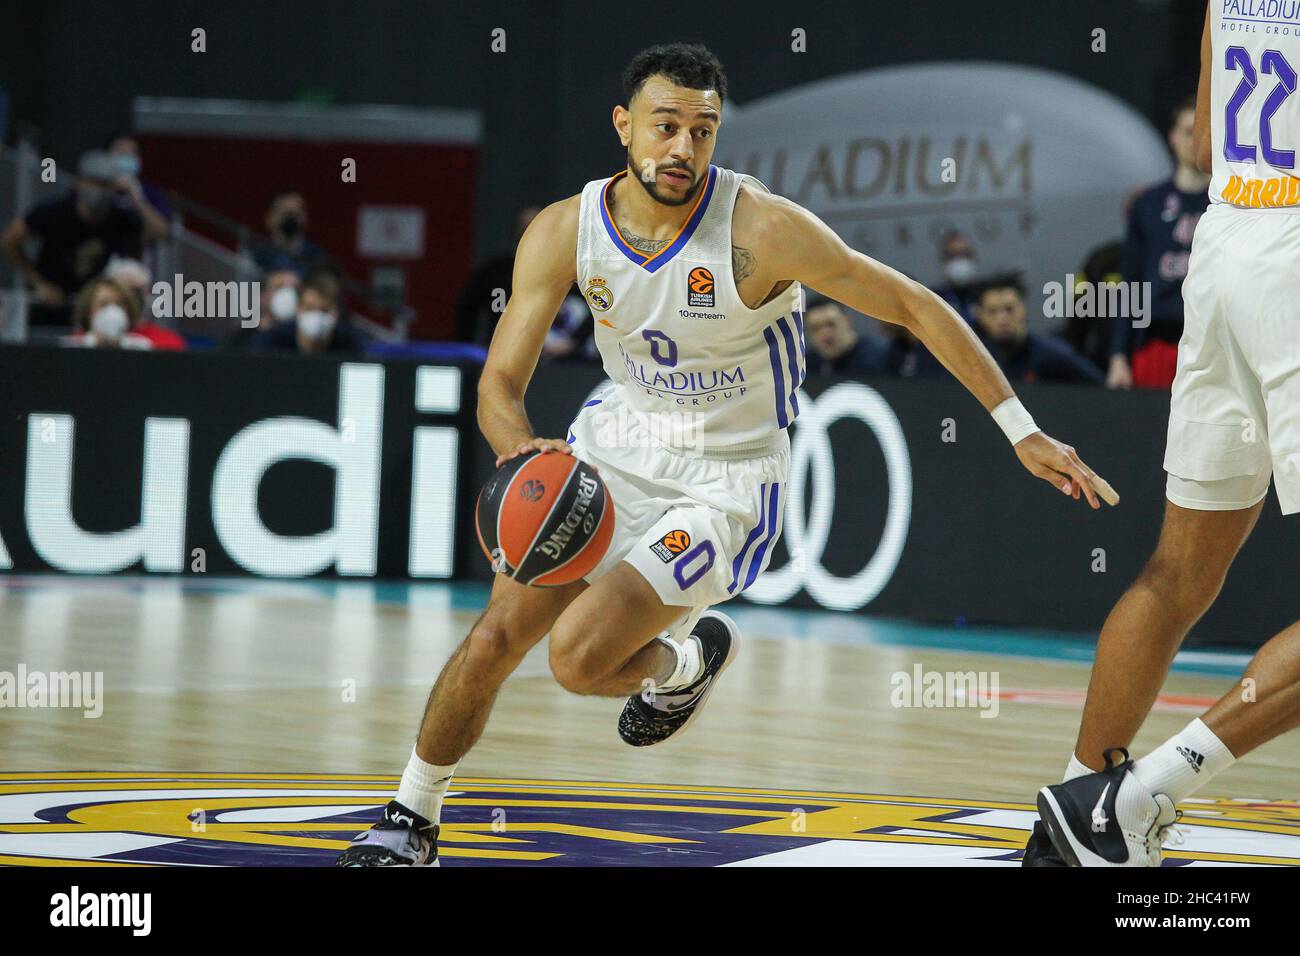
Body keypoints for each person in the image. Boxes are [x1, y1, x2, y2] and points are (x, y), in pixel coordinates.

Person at [337, 43, 1110, 867]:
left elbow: (915, 305)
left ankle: (681, 661)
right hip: (617, 444)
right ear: (624, 126)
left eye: (702, 130)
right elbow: (498, 381)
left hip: (728, 479)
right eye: (666, 126)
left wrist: (1019, 426)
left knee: (573, 662)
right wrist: (519, 450)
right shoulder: (567, 230)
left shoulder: (761, 230)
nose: (683, 148)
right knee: (495, 637)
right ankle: (410, 817)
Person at [1030, 7, 1300, 867]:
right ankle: (1143, 791)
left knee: (1177, 570)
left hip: (1226, 243)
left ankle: (1072, 811)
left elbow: (1214, 145)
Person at [1106, 97, 1210, 391]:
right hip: (1158, 347)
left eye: (1203, 132)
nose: (1195, 141)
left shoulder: (1228, 204)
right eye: (1189, 132)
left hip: (1214, 346)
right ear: (1173, 137)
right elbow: (1130, 283)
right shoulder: (1147, 205)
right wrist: (1117, 355)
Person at [1, 151, 154, 327]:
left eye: (106, 184)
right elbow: (8, 239)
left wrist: (137, 199)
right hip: (48, 305)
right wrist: (38, 283)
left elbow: (159, 232)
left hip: (93, 309)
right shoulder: (55, 213)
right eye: (93, 182)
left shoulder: (121, 219)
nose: (99, 190)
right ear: (79, 182)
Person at [973, 276, 1104, 385]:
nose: (1002, 319)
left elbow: (1100, 386)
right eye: (992, 311)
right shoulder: (975, 360)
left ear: (1024, 310)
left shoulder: (1055, 355)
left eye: (1009, 309)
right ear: (981, 316)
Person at [453, 204, 542, 345]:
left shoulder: (567, 269)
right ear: (516, 230)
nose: (530, 233)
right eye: (525, 228)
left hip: (562, 358)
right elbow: (467, 309)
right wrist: (465, 350)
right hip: (505, 348)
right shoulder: (496, 271)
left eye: (538, 228)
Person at [254, 269, 367, 355]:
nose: (316, 316)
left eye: (324, 310)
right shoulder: (272, 343)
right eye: (309, 308)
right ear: (298, 308)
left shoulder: (352, 344)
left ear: (337, 312)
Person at [101, 258, 186, 350]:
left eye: (136, 291)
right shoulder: (86, 341)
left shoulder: (169, 343)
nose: (130, 299)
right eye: (122, 292)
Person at [803, 292, 888, 376]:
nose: (824, 334)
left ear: (847, 322)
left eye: (831, 324)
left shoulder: (880, 357)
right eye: (815, 328)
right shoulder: (806, 365)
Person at [253, 189, 330, 277]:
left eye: (295, 213)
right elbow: (242, 288)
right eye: (285, 213)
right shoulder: (254, 253)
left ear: (305, 219)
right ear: (269, 218)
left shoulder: (317, 258)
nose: (291, 219)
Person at [63, 276, 152, 350]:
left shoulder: (142, 347)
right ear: (88, 312)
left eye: (119, 304)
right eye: (103, 304)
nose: (112, 310)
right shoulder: (72, 346)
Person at [227, 268, 300, 348]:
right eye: (280, 288)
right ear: (262, 296)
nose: (288, 295)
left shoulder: (304, 343)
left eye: (294, 289)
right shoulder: (238, 342)